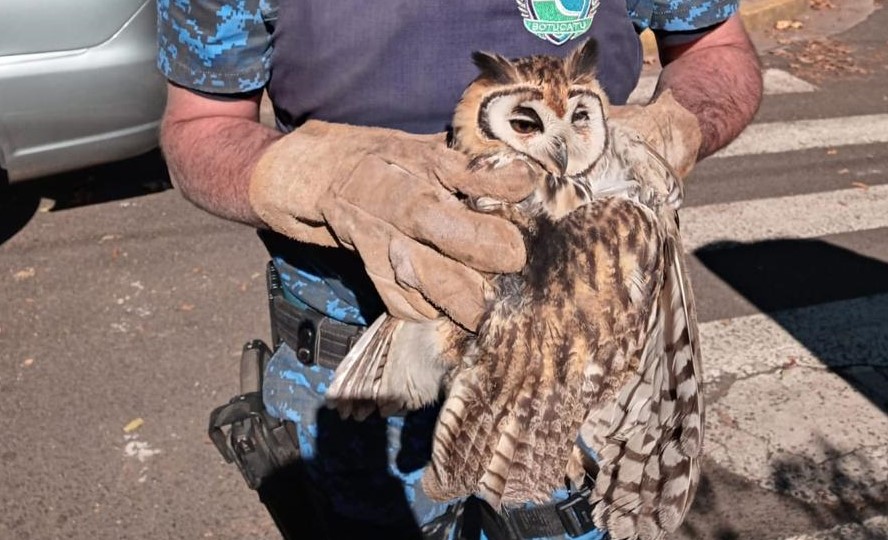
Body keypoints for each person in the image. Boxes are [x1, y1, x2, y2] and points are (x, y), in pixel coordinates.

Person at [157, 1, 763, 538]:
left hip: (573, 358)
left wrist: (672, 128)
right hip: (358, 364)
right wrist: (317, 181)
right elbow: (200, 127)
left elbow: (716, 49)